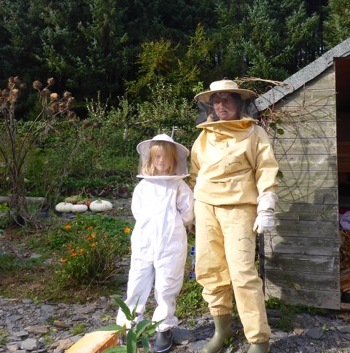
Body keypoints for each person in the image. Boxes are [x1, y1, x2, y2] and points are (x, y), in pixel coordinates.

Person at [188, 80, 279, 353]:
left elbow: (266, 170)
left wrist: (266, 205)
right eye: (216, 100)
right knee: (209, 268)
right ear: (211, 106)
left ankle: (258, 340)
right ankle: (222, 330)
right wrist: (192, 209)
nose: (221, 105)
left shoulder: (254, 134)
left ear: (240, 103)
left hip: (239, 207)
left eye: (227, 99)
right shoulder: (203, 136)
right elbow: (195, 174)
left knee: (242, 273)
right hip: (206, 207)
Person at [117, 133, 195, 353]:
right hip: (144, 242)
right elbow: (138, 212)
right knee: (137, 282)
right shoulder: (143, 187)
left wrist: (173, 226)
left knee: (167, 285)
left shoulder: (179, 186)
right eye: (157, 157)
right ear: (150, 160)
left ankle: (163, 326)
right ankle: (129, 324)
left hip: (171, 243)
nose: (161, 161)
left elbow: (188, 213)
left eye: (166, 157)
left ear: (174, 160)